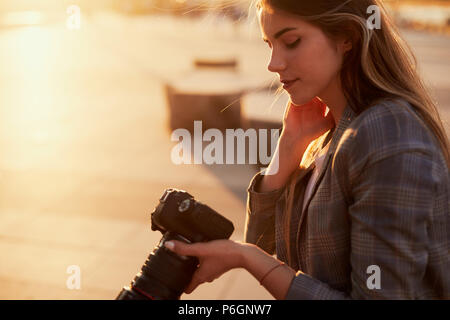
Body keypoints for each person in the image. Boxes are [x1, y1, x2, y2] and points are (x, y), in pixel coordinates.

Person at [164, 0, 450, 299]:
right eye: (269, 44)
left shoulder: (389, 136)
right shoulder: (330, 133)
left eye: (291, 42)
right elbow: (264, 243)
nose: (273, 63)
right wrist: (288, 147)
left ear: (347, 36)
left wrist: (246, 257)